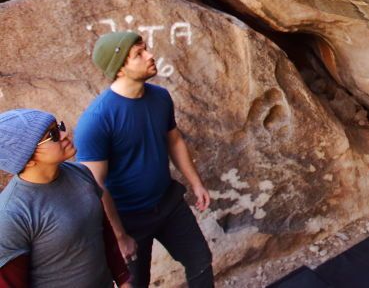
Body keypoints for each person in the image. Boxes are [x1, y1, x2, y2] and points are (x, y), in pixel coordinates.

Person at [74, 32, 214, 287]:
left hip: (168, 204)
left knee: (200, 260)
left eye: (146, 49)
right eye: (138, 54)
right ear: (119, 69)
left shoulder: (160, 97)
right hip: (129, 219)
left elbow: (175, 140)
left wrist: (196, 183)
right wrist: (119, 236)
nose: (150, 55)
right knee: (137, 283)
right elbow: (95, 185)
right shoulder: (96, 120)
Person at [0, 108, 131, 287]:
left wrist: (123, 279)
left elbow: (103, 231)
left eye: (59, 126)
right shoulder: (12, 214)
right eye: (53, 135)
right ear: (27, 159)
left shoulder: (81, 173)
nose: (64, 134)